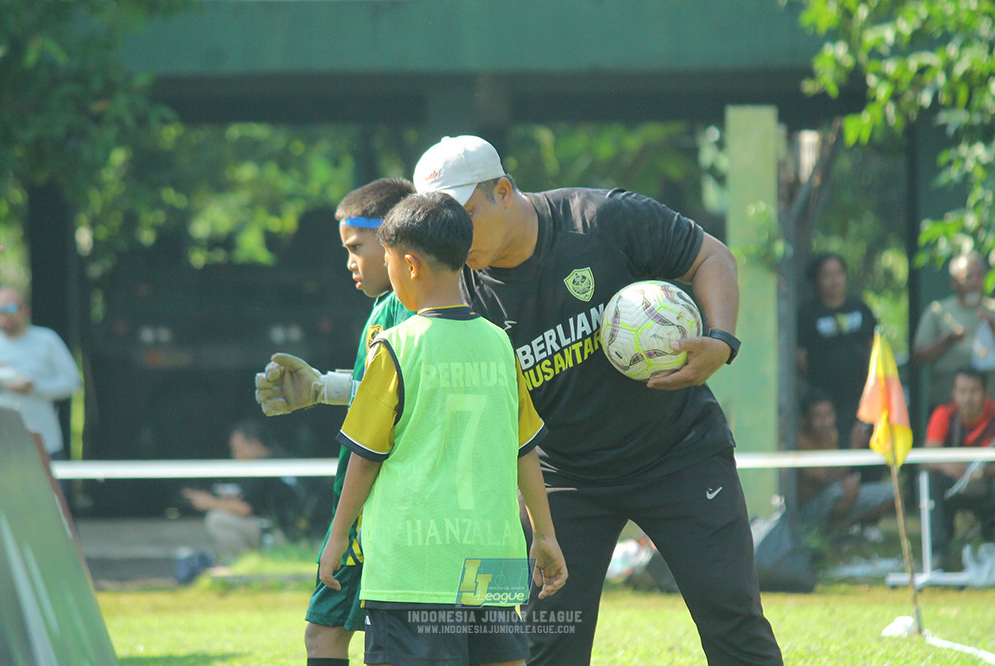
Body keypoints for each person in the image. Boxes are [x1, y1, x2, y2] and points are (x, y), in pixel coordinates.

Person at [257, 136, 783, 664]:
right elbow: (409, 380)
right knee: (545, 644)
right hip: (562, 479)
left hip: (678, 453)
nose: (456, 236)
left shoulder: (600, 219)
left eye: (464, 214)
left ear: (503, 191)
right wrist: (323, 388)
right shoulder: (453, 282)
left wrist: (721, 340)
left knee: (732, 617)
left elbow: (711, 255)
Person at [320, 191, 567, 666]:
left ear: (409, 265)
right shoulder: (500, 345)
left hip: (414, 568)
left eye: (388, 261)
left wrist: (337, 537)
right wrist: (545, 535)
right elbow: (525, 450)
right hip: (492, 564)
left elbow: (365, 457)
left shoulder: (394, 347)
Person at [255, 178, 416, 666]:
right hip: (377, 508)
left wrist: (344, 526)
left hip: (374, 508)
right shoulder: (387, 307)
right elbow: (387, 390)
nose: (349, 261)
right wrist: (323, 388)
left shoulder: (399, 307)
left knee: (327, 638)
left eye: (355, 247)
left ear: (392, 240)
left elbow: (389, 412)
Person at [181, 419, 298, 562]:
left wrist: (210, 502)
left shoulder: (263, 468)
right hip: (288, 530)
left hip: (282, 534)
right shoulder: (279, 459)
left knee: (217, 519)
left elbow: (245, 508)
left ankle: (242, 563)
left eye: (238, 449)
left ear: (254, 444)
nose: (235, 456)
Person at [796, 252, 877, 451]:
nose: (834, 280)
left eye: (839, 273)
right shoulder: (808, 314)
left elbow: (875, 347)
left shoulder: (860, 308)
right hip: (827, 400)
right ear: (816, 280)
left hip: (861, 397)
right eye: (827, 275)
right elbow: (800, 357)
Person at [0, 286, 81, 461]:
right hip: (2, 445)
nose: (6, 315)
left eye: (11, 308)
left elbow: (73, 382)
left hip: (45, 443)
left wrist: (34, 387)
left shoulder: (47, 340)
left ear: (25, 310)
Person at [923, 367, 995, 571]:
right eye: (962, 392)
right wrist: (951, 467)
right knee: (929, 480)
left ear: (985, 392)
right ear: (953, 393)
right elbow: (927, 458)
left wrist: (986, 472)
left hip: (989, 483)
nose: (968, 398)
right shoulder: (944, 415)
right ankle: (937, 555)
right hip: (953, 486)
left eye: (974, 391)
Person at [795, 390, 893, 537]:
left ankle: (844, 530)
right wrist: (854, 449)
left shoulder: (834, 434)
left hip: (841, 495)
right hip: (809, 510)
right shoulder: (800, 442)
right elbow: (825, 480)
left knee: (892, 492)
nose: (826, 422)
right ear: (805, 419)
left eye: (829, 415)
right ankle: (825, 537)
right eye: (818, 417)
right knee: (839, 491)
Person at [913, 251, 995, 410]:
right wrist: (948, 340)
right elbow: (919, 355)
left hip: (990, 410)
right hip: (947, 406)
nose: (974, 282)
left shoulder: (992, 310)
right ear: (953, 281)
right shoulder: (938, 311)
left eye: (979, 276)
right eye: (968, 277)